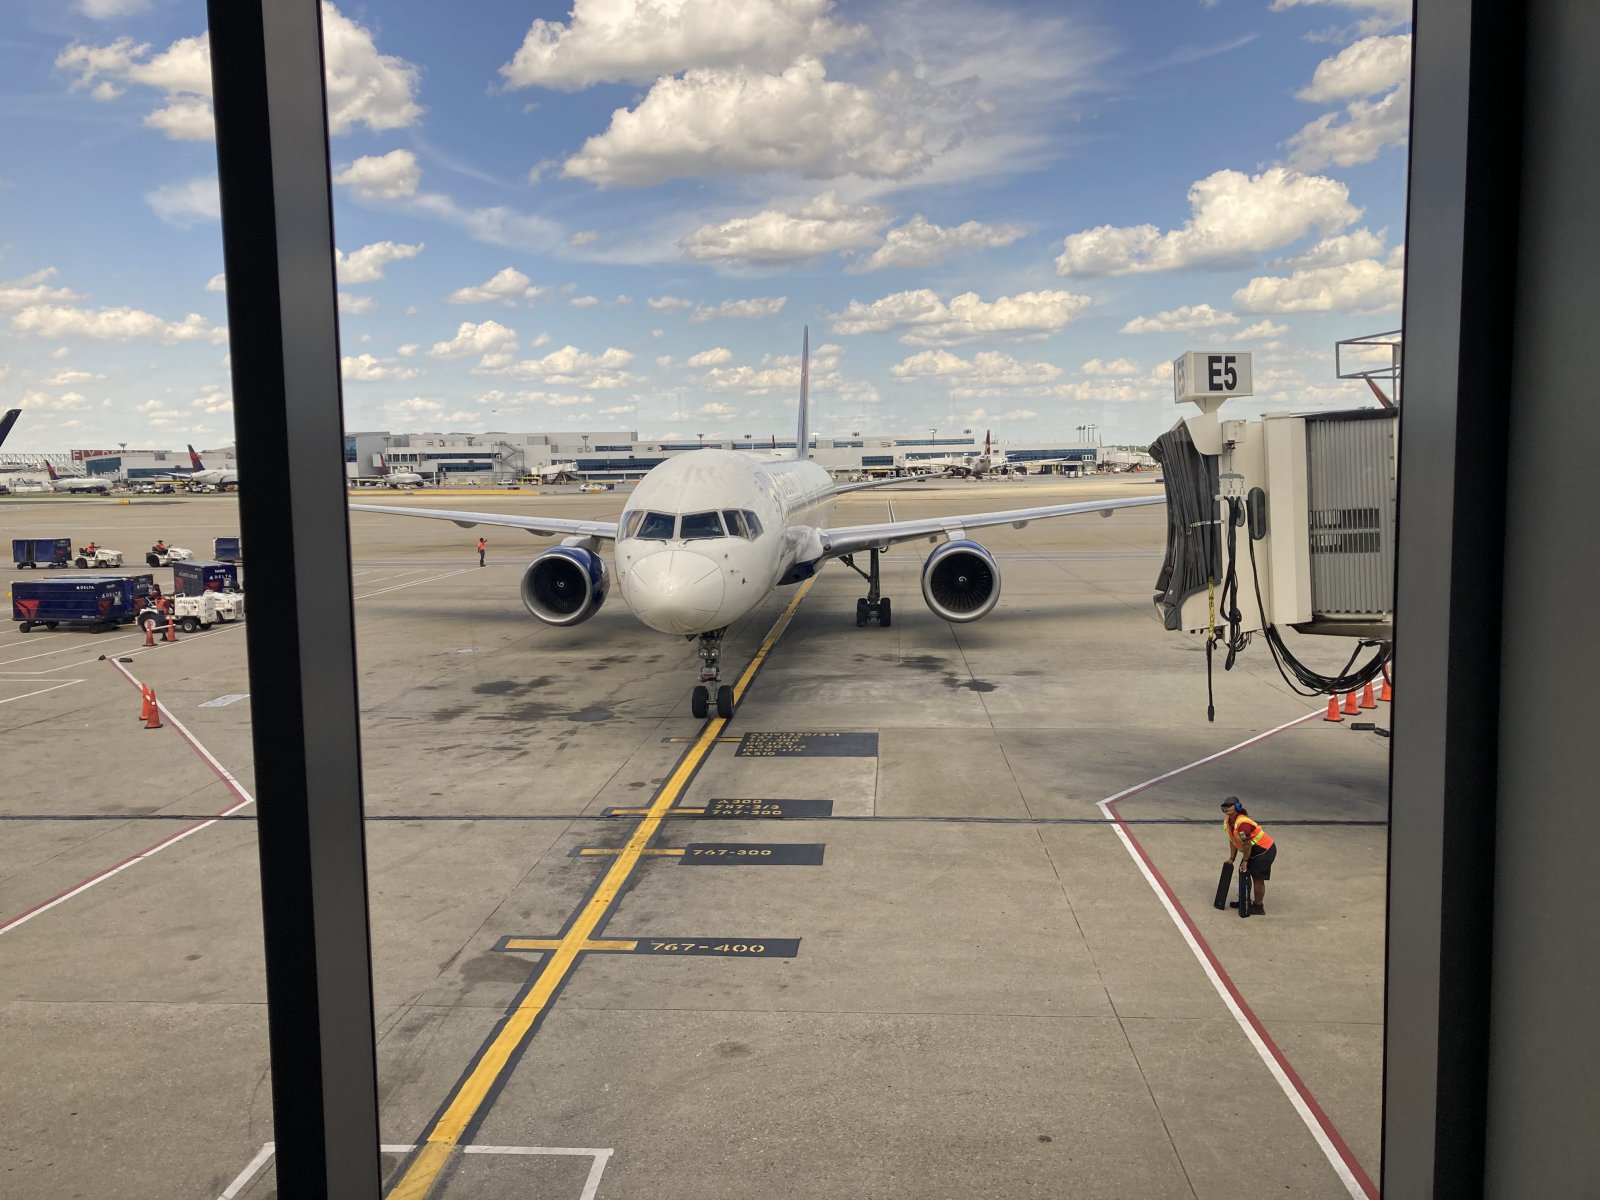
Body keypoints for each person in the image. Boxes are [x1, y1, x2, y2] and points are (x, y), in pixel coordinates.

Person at [1222, 796, 1277, 915]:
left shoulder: (1243, 824)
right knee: (1244, 872)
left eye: (1229, 806)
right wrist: (1232, 858)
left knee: (1257, 878)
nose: (1226, 808)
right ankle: (1244, 901)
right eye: (1224, 806)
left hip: (1264, 851)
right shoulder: (1228, 822)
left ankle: (1258, 906)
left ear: (1237, 807)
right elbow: (1232, 840)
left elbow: (1247, 844)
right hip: (1252, 851)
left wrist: (1245, 861)